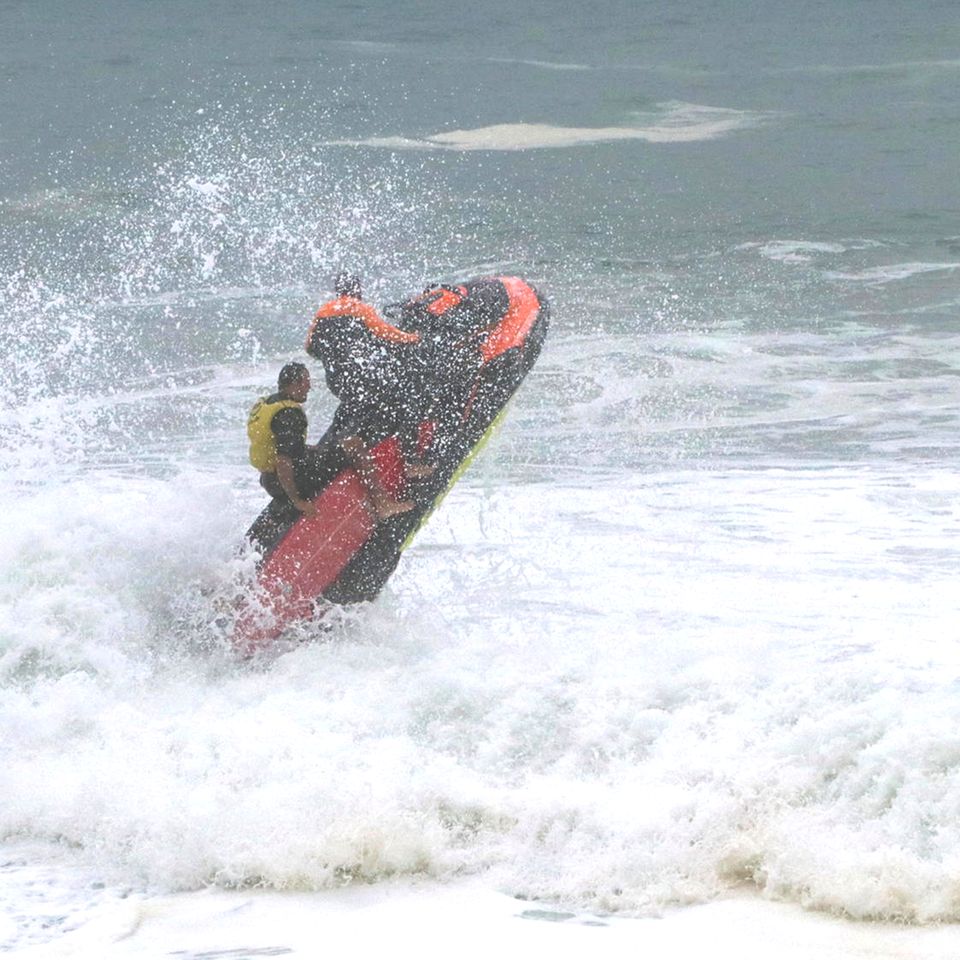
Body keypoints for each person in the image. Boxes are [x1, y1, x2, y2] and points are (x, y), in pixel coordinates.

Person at [305, 272, 435, 479]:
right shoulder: (359, 309)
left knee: (350, 407)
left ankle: (323, 451)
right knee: (405, 399)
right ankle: (411, 463)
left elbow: (310, 348)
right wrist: (414, 338)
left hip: (338, 382)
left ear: (338, 291)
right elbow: (389, 335)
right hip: (362, 379)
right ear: (357, 290)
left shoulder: (322, 313)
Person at [247, 361, 414, 521]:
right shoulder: (289, 414)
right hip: (295, 480)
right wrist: (297, 501)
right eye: (305, 382)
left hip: (269, 481)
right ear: (293, 384)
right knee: (355, 444)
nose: (309, 387)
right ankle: (383, 504)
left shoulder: (267, 403)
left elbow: (275, 446)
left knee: (326, 448)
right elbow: (283, 461)